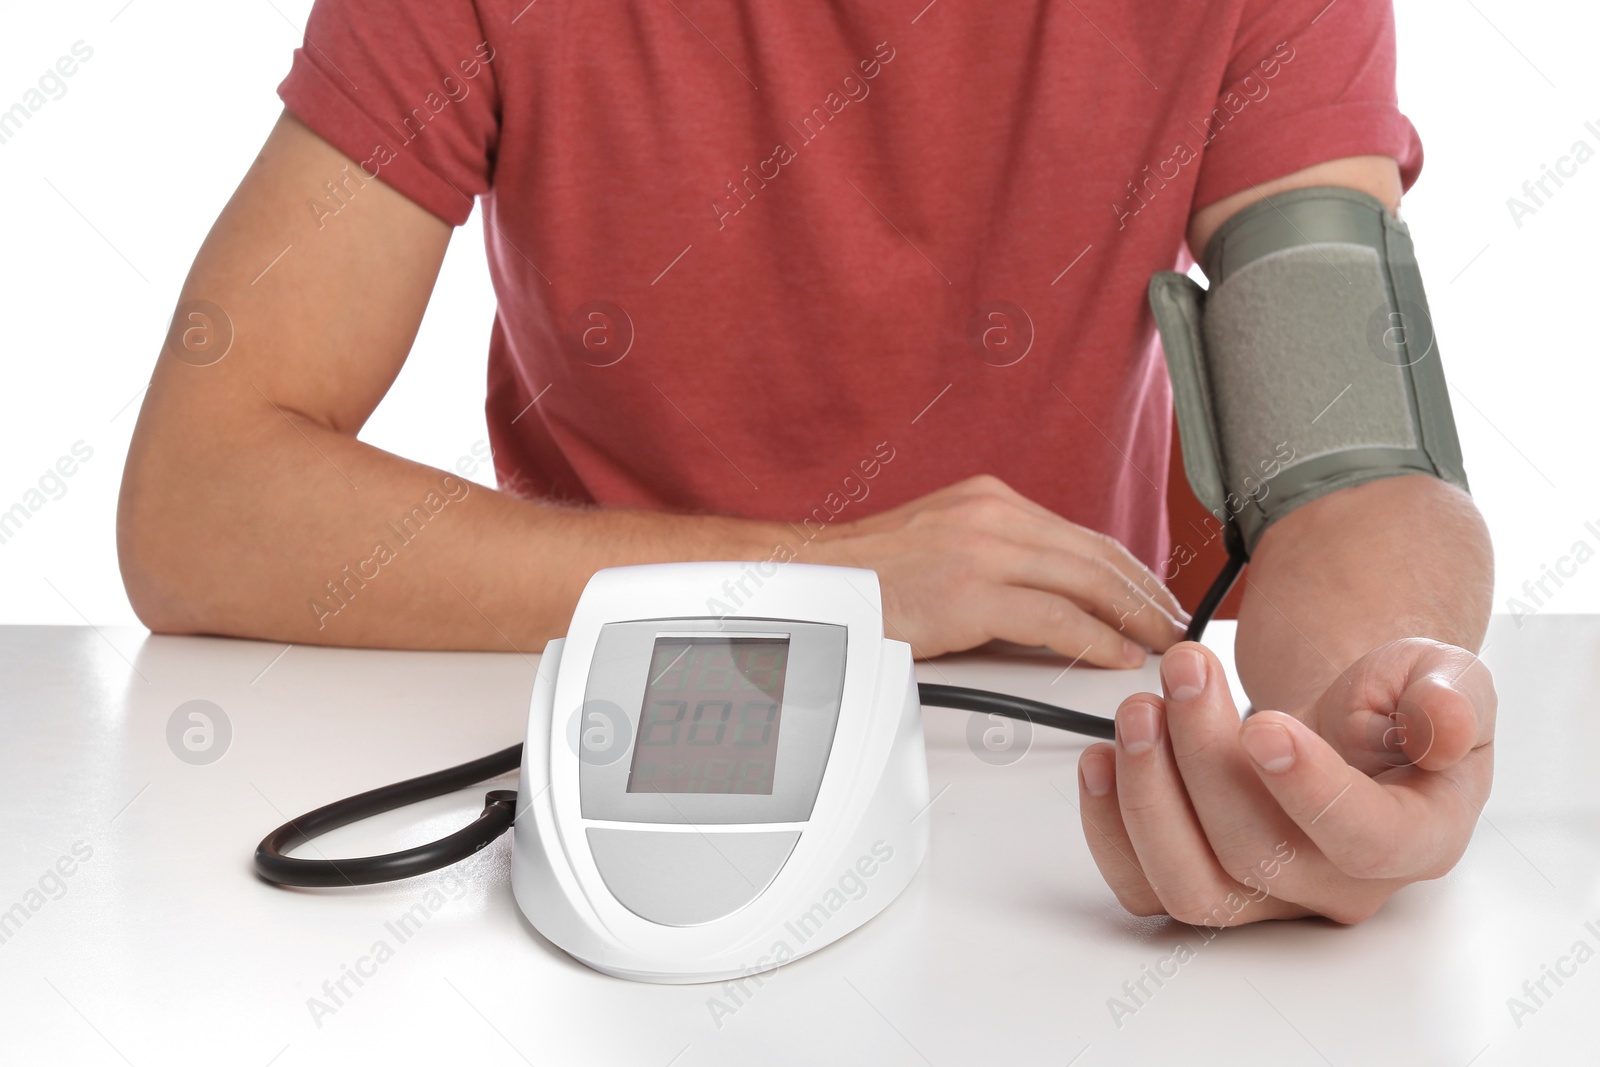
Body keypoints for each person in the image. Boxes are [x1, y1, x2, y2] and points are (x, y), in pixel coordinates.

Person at [117, 0, 1495, 928]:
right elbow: (201, 499)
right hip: (612, 778)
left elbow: (1354, 462)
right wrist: (828, 579)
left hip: (1054, 827)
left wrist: (1346, 743)